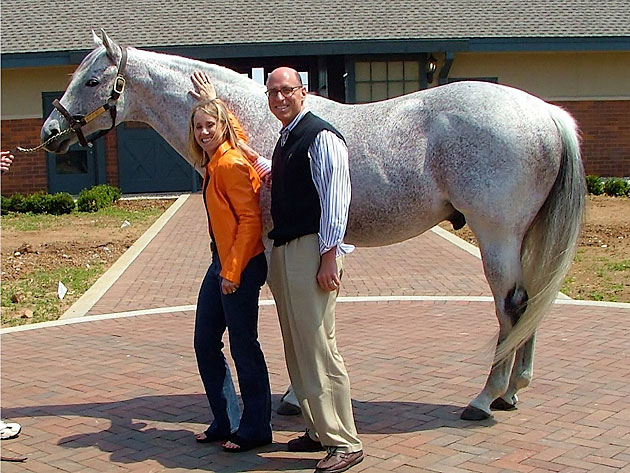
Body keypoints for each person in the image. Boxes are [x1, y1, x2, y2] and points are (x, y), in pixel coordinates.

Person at [264, 67, 363, 473]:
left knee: (320, 346)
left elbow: (336, 199)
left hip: (311, 251)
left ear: (303, 93)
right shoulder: (286, 138)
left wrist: (328, 257)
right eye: (272, 92)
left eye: (287, 90)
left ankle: (344, 441)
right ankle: (317, 428)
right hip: (288, 249)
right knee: (297, 344)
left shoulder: (321, 136)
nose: (279, 98)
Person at [188, 99, 272, 453]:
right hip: (220, 262)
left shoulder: (231, 164)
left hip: (240, 265)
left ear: (221, 127)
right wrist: (216, 99)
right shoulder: (217, 161)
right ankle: (226, 420)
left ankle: (255, 428)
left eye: (211, 125)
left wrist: (232, 272)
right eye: (198, 127)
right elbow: (234, 131)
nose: (204, 132)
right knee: (205, 341)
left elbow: (251, 221)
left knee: (243, 345)